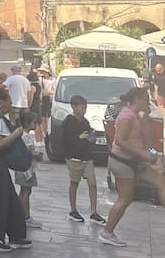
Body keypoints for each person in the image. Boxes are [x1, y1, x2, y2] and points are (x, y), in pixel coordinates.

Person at [102, 87, 165, 246]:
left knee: (161, 182)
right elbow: (120, 141)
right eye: (146, 99)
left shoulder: (137, 117)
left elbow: (148, 143)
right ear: (137, 99)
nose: (148, 102)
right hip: (122, 161)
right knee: (125, 199)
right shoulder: (126, 116)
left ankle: (107, 232)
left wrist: (145, 121)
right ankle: (107, 232)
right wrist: (144, 154)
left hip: (135, 162)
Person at [0, 88, 32, 252]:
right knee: (0, 197)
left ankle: (16, 235)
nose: (11, 104)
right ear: (1, 102)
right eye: (9, 101)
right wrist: (18, 133)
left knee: (9, 198)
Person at [61, 94, 104, 225]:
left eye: (85, 107)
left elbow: (88, 137)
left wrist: (91, 138)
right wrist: (78, 138)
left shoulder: (85, 121)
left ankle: (94, 211)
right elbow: (64, 140)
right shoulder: (68, 121)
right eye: (81, 107)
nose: (83, 110)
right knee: (74, 183)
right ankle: (73, 210)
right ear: (73, 107)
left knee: (93, 183)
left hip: (87, 157)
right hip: (74, 157)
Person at [16, 110, 43, 229]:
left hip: (21, 167)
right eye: (34, 122)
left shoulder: (19, 134)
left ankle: (20, 213)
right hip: (27, 168)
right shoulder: (27, 137)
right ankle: (26, 216)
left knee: (24, 191)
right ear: (27, 123)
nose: (36, 125)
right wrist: (37, 154)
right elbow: (29, 152)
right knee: (26, 192)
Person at [39, 67, 56, 138]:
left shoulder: (53, 80)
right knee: (43, 117)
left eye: (44, 72)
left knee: (49, 116)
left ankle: (49, 132)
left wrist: (48, 92)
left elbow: (54, 91)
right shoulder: (40, 80)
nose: (43, 73)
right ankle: (44, 132)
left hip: (49, 99)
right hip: (42, 99)